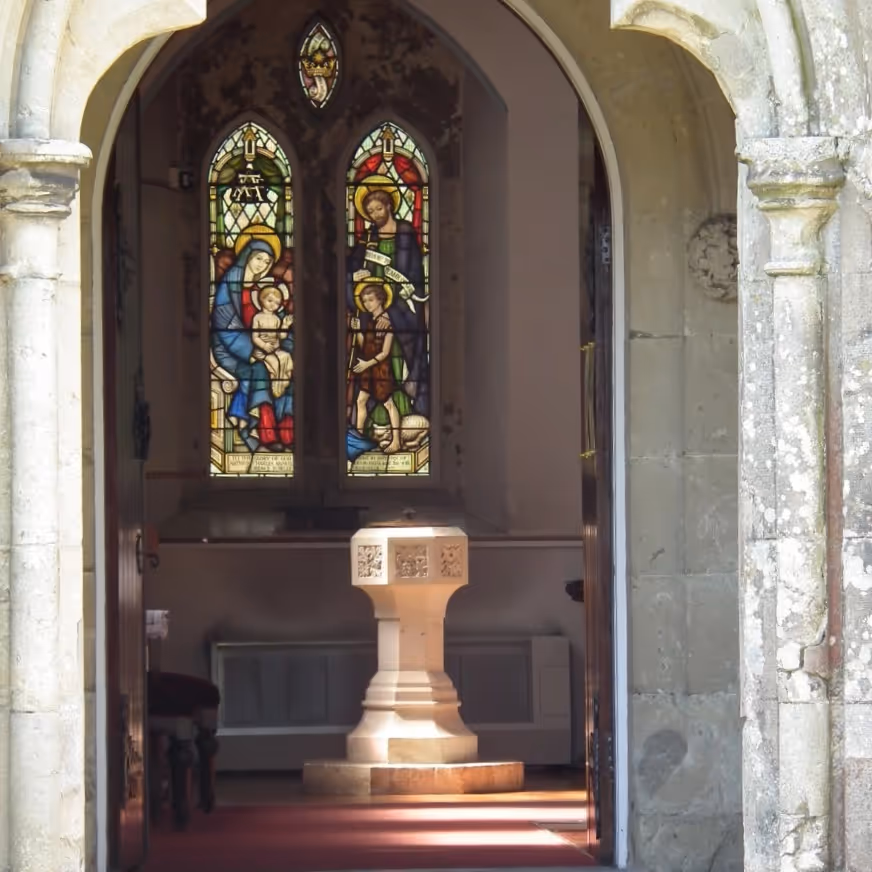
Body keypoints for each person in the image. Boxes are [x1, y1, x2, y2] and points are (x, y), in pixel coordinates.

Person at [347, 180, 429, 418]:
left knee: (400, 355)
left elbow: (415, 273)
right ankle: (376, 420)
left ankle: (406, 409)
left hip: (403, 307)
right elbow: (352, 266)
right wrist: (356, 273)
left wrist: (395, 304)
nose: (374, 215)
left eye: (378, 209)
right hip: (373, 304)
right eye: (370, 212)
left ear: (389, 207)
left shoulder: (405, 232)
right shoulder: (368, 236)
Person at [211, 226, 294, 452]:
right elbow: (224, 325)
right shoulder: (230, 285)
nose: (262, 265)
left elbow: (272, 319)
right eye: (259, 259)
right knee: (259, 370)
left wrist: (283, 338)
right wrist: (251, 350)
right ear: (247, 256)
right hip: (231, 349)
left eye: (267, 262)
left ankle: (287, 432)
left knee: (292, 364)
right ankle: (263, 432)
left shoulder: (261, 287)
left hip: (265, 345)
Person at [350, 282, 401, 454]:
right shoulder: (372, 323)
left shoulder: (387, 323)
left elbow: (385, 353)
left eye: (370, 300)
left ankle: (396, 441)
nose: (367, 304)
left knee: (388, 404)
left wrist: (367, 363)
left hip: (380, 370)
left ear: (380, 300)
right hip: (369, 368)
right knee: (360, 401)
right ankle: (358, 437)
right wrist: (357, 331)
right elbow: (366, 347)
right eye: (364, 301)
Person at [250, 285, 294, 399]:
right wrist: (264, 345)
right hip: (262, 352)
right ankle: (276, 390)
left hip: (275, 349)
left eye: (276, 303)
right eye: (269, 300)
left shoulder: (276, 319)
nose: (272, 304)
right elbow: (255, 337)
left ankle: (284, 384)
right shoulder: (257, 318)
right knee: (275, 363)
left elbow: (281, 336)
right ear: (261, 299)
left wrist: (285, 325)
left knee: (287, 357)